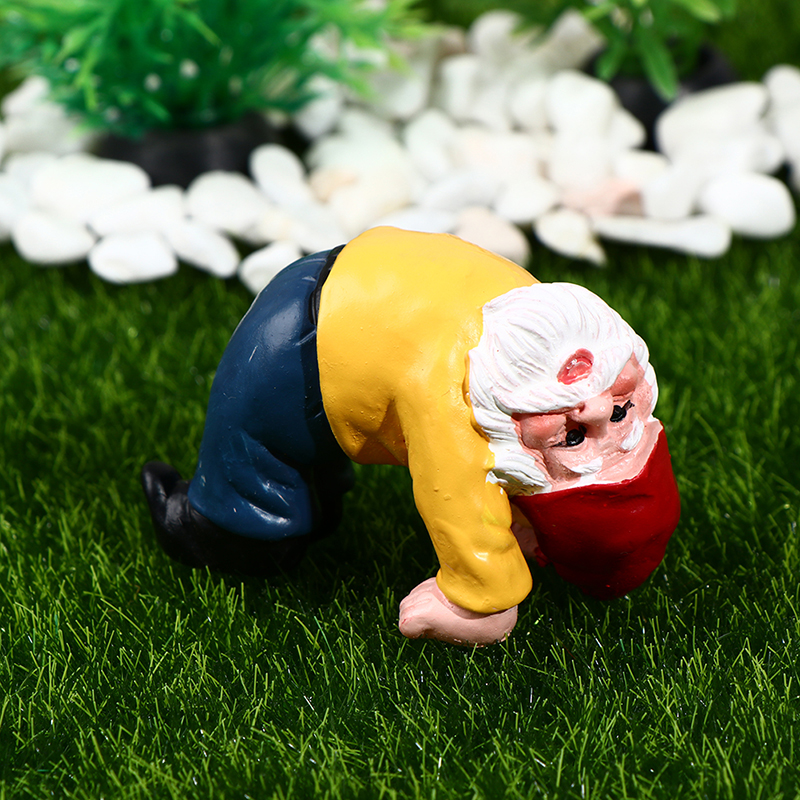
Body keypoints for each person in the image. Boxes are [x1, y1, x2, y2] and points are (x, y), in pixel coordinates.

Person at [142, 227, 679, 646]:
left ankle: (263, 511)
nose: (595, 406)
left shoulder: (513, 359)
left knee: (269, 460)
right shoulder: (486, 387)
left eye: (575, 438)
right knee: (254, 488)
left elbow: (473, 495)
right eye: (620, 412)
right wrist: (484, 594)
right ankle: (228, 527)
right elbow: (467, 506)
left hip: (335, 309)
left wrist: (496, 571)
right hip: (313, 326)